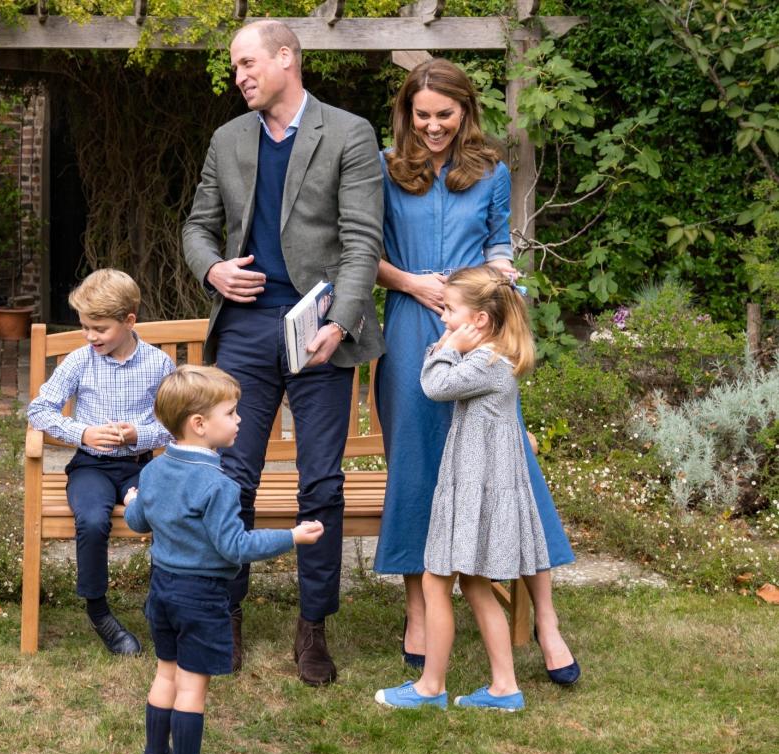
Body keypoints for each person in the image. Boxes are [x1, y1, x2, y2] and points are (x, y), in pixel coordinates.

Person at [182, 19, 384, 686]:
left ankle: (313, 625)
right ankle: (227, 613)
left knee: (320, 482)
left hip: (318, 331)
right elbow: (195, 226)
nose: (238, 75)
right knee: (231, 480)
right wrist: (212, 269)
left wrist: (344, 322)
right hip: (243, 329)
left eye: (247, 63)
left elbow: (361, 243)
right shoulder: (227, 139)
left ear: (286, 58)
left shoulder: (349, 133)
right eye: (235, 66)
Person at [371, 58, 579, 685]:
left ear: (465, 112)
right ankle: (418, 608)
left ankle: (545, 619)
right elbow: (365, 252)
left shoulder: (489, 170)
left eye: (445, 115)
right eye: (422, 115)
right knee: (417, 461)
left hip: (480, 328)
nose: (433, 127)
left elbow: (498, 242)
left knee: (510, 460)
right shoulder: (383, 168)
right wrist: (414, 284)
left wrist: (499, 272)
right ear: (407, 112)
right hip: (412, 325)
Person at [124, 365, 325, 754]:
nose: (239, 420)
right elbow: (235, 546)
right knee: (192, 686)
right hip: (201, 598)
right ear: (199, 425)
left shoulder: (154, 470)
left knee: (166, 673)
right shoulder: (220, 486)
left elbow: (138, 523)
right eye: (231, 413)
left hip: (161, 590)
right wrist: (292, 537)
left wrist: (133, 500)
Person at [375, 266, 549, 711]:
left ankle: (430, 688)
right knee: (474, 585)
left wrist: (446, 345)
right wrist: (454, 339)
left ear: (481, 321)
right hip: (475, 487)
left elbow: (433, 385)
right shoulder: (493, 359)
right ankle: (504, 687)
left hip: (474, 492)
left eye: (451, 311)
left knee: (436, 582)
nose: (444, 319)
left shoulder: (485, 362)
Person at [27, 269, 175, 655]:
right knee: (92, 520)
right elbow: (38, 410)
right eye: (85, 328)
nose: (91, 336)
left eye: (99, 328)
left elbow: (175, 425)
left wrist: (137, 435)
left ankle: (159, 604)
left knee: (165, 514)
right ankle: (99, 612)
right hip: (91, 467)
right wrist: (82, 433)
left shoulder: (158, 365)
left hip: (141, 466)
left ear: (129, 320)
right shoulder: (80, 362)